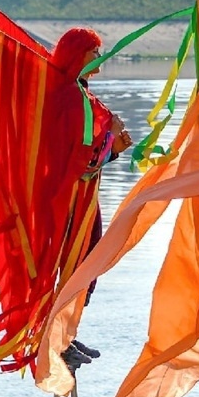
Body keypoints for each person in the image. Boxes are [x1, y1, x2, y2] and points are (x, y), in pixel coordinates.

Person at [48, 27, 132, 372]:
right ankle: (57, 338)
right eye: (92, 52)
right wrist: (114, 146)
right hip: (71, 198)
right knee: (78, 264)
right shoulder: (69, 96)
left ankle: (67, 333)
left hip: (83, 196)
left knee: (88, 263)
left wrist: (112, 143)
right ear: (76, 55)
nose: (99, 59)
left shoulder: (79, 92)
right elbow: (77, 162)